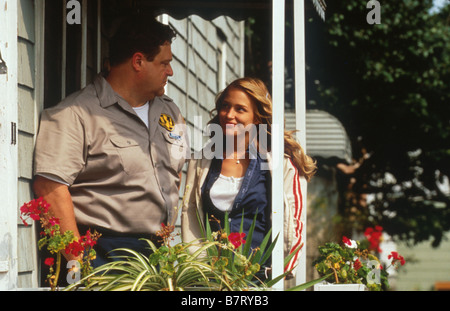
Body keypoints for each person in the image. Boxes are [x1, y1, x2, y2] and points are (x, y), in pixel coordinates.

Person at [33, 16, 187, 270]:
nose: (170, 71)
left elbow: (176, 172)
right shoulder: (76, 113)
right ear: (138, 61)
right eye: (164, 63)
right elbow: (50, 187)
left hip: (158, 255)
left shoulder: (170, 113)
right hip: (104, 255)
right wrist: (78, 264)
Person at [181, 77, 316, 280]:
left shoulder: (280, 166)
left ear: (257, 118)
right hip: (209, 279)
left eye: (240, 109)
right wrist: (197, 269)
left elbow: (295, 222)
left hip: (259, 279)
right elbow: (189, 214)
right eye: (225, 106)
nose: (229, 115)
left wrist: (280, 271)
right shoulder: (201, 163)